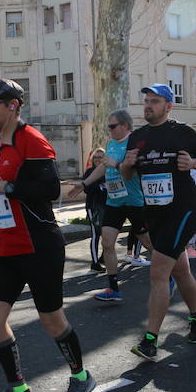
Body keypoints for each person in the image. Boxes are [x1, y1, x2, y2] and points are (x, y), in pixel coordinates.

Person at [0, 78, 96, 392]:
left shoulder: (32, 140)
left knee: (51, 320)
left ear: (13, 106)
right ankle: (19, 389)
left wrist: (6, 187)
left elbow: (49, 188)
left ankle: (81, 377)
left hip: (39, 244)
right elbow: (1, 189)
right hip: (7, 245)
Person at [119, 83, 196, 360]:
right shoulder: (138, 137)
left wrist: (193, 164)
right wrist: (127, 164)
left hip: (182, 211)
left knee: (158, 272)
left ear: (168, 106)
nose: (148, 105)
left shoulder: (181, 132)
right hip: (155, 213)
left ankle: (150, 340)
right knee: (179, 270)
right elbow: (127, 175)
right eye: (146, 100)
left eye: (155, 101)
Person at [68, 109, 153, 301]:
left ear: (124, 126)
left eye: (112, 126)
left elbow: (129, 170)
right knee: (107, 242)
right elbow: (103, 166)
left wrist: (115, 164)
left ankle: (170, 275)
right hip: (114, 200)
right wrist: (84, 184)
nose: (109, 129)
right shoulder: (112, 143)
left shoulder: (134, 144)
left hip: (134, 201)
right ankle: (114, 288)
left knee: (149, 243)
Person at [75, 148, 107, 271]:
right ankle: (94, 263)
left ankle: (104, 257)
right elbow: (87, 189)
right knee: (96, 234)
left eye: (100, 157)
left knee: (108, 235)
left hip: (108, 207)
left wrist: (100, 186)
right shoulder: (89, 172)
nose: (98, 159)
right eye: (96, 157)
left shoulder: (109, 171)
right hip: (93, 207)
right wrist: (100, 185)